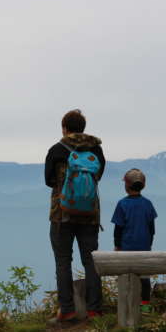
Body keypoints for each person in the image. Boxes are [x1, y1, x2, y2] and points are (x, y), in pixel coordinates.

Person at [44, 109, 106, 321]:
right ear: (82, 128)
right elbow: (98, 176)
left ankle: (67, 310)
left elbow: (49, 180)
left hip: (62, 213)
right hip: (90, 213)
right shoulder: (95, 151)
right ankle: (95, 310)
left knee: (63, 262)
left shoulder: (56, 150)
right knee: (91, 261)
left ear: (64, 128)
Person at [111, 168, 157, 312]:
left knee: (126, 276)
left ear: (126, 186)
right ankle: (145, 303)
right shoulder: (147, 203)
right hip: (144, 246)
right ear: (143, 185)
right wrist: (149, 243)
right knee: (144, 276)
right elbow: (152, 228)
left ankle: (127, 303)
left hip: (126, 247)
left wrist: (117, 245)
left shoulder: (122, 204)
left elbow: (118, 228)